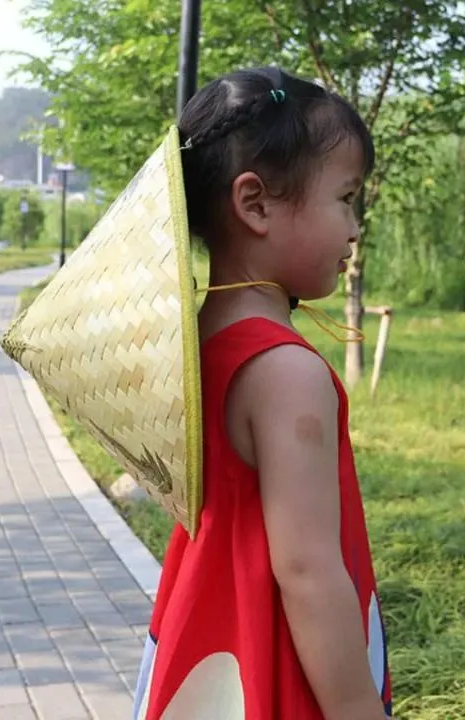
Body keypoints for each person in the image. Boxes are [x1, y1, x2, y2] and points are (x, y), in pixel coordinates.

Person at [133, 67, 393, 720]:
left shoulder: (196, 339)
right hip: (269, 658)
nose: (355, 228)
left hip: (206, 634)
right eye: (345, 198)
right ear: (255, 205)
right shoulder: (286, 371)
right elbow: (307, 571)